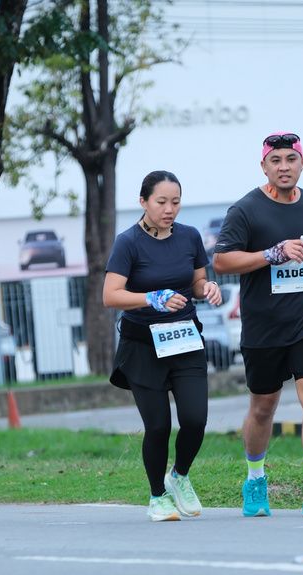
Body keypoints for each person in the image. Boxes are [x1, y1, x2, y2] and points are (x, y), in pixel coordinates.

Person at [212, 131, 303, 517]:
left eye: (291, 159)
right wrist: (272, 253)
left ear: (302, 163)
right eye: (276, 160)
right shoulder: (245, 210)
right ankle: (255, 480)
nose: (284, 167)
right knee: (262, 407)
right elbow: (221, 261)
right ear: (264, 166)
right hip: (264, 326)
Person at [103, 170, 222, 521]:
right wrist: (151, 298)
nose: (169, 209)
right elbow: (110, 295)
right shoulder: (128, 242)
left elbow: (197, 282)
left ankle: (179, 476)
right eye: (161, 202)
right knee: (158, 426)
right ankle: (157, 496)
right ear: (143, 201)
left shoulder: (189, 236)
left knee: (195, 419)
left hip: (185, 339)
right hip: (143, 345)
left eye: (176, 202)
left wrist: (207, 288)